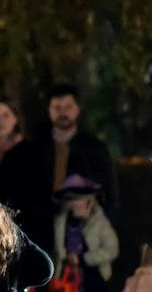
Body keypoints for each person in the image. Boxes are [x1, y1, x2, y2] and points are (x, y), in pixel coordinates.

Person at [13, 85, 120, 252]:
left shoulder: (94, 149)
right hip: (40, 234)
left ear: (77, 110)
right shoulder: (34, 149)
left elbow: (110, 193)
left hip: (82, 234)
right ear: (49, 111)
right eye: (57, 108)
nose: (63, 112)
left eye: (68, 107)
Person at [51, 175, 121, 292]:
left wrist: (84, 259)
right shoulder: (61, 221)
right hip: (65, 280)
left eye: (78, 198)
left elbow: (112, 249)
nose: (74, 203)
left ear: (89, 201)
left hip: (91, 281)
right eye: (70, 199)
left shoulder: (100, 222)